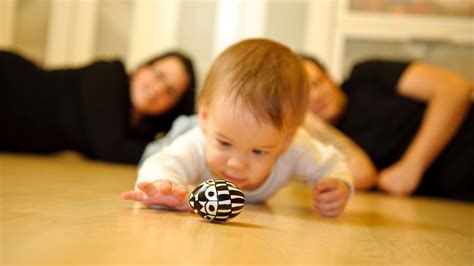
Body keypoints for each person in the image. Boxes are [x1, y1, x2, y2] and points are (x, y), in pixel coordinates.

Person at [121, 38, 354, 217]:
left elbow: (334, 163)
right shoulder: (198, 141)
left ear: (285, 141)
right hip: (189, 130)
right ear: (205, 117)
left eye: (258, 151)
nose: (237, 164)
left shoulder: (297, 147)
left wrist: (338, 186)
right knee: (161, 148)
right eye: (225, 143)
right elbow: (160, 164)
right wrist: (165, 187)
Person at [301, 54, 473, 201]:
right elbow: (363, 177)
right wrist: (311, 122)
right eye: (304, 96)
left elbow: (455, 88)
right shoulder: (321, 144)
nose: (315, 96)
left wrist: (412, 166)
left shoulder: (364, 76)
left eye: (317, 83)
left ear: (330, 78)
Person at [0, 50, 196, 164]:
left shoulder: (138, 130)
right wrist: (176, 150)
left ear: (173, 107)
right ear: (142, 68)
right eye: (159, 75)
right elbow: (112, 149)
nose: (158, 89)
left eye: (170, 91)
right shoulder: (108, 75)